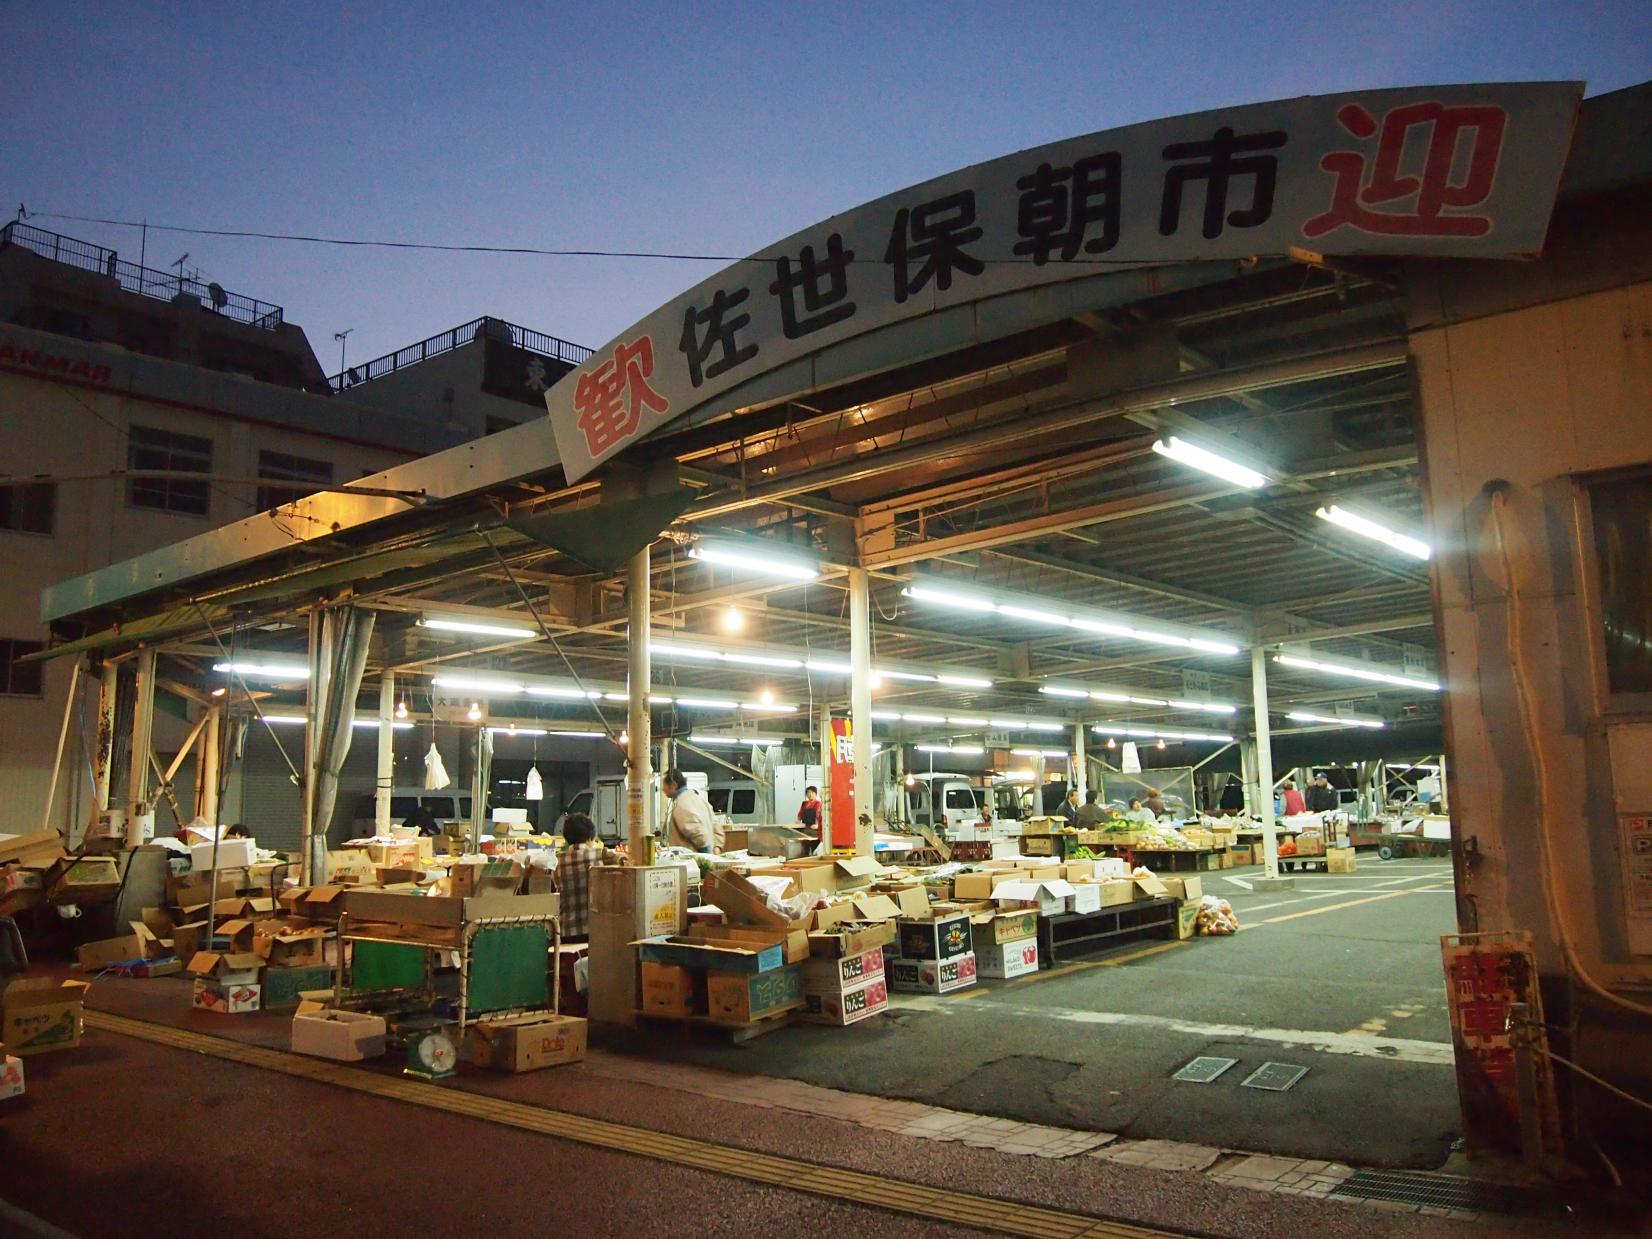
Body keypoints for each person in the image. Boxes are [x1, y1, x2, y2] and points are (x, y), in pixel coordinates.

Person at [552, 812, 611, 943]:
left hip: (566, 932)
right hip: (593, 931)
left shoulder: (557, 861)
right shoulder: (598, 854)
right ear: (590, 837)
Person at [663, 768, 721, 853]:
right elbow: (716, 825)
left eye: (664, 785)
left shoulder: (681, 803)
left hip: (693, 860)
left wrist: (707, 852)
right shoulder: (700, 800)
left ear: (674, 785)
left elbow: (695, 831)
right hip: (708, 857)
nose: (662, 789)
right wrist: (717, 847)